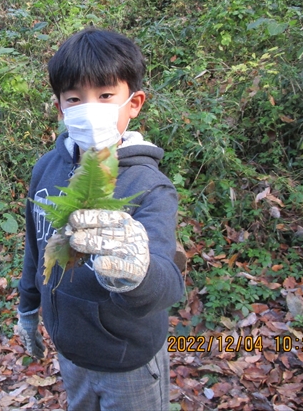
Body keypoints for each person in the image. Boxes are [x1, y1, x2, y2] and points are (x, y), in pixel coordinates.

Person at [15, 27, 185, 411]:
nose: (90, 108)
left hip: (128, 362)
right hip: (71, 353)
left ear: (134, 102)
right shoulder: (47, 169)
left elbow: (168, 280)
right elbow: (34, 245)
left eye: (106, 95)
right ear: (61, 107)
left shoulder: (148, 185)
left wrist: (135, 273)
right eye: (75, 98)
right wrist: (27, 309)